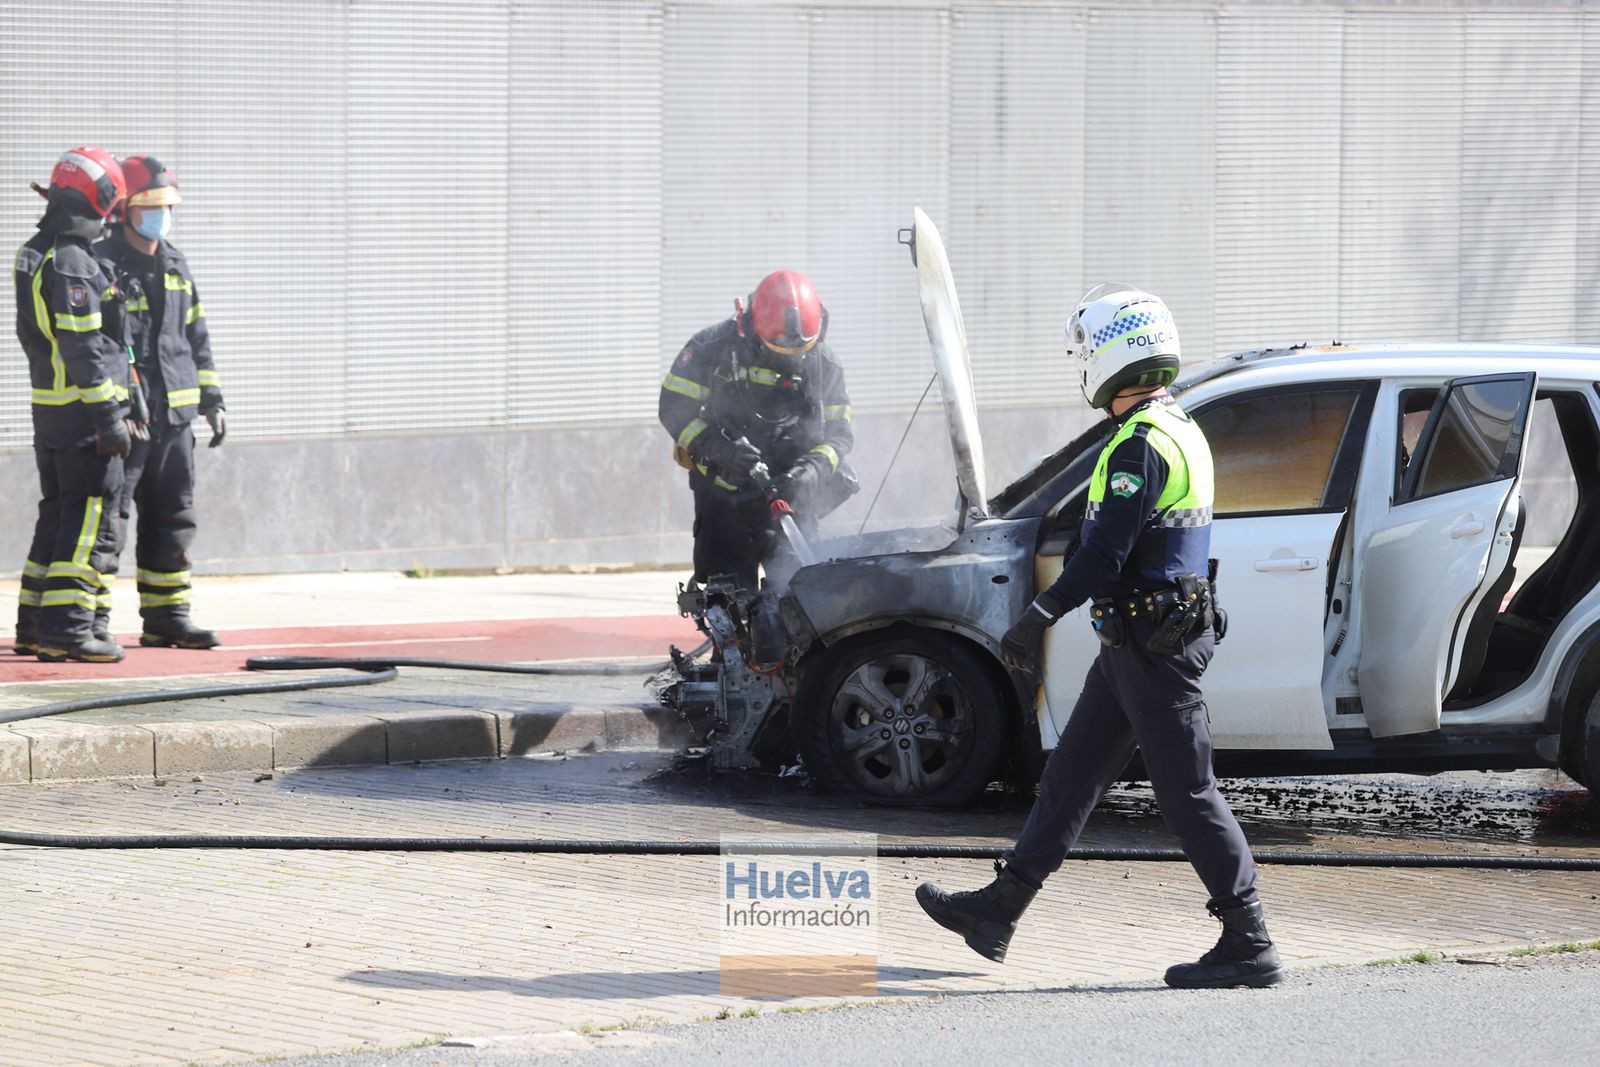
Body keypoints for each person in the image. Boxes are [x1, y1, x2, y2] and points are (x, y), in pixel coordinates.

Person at [914, 284, 1284, 990]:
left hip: (1153, 650)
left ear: (1115, 355)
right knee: (1071, 775)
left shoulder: (1138, 447)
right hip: (1138, 644)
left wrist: (1037, 615)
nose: (1081, 363)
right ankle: (999, 910)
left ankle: (1249, 939)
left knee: (1188, 793)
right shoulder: (1180, 427)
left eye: (1085, 351)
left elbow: (1102, 556)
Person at [12, 147, 136, 663]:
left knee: (58, 517)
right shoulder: (72, 263)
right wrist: (110, 415)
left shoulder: (37, 250)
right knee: (89, 523)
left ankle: (35, 626)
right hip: (84, 415)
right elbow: (84, 348)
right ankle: (68, 631)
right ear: (99, 199)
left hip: (52, 411)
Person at [96, 155, 224, 650]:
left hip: (175, 420)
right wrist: (112, 411)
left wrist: (212, 397)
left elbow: (197, 337)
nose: (160, 216)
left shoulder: (176, 263)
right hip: (130, 422)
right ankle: (95, 621)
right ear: (125, 210)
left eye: (167, 207)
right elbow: (98, 346)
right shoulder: (103, 266)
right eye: (150, 206)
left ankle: (167, 617)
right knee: (112, 520)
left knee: (173, 519)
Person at [658, 270, 856, 590]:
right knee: (729, 598)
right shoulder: (710, 349)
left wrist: (812, 470)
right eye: (778, 353)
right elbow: (673, 408)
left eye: (800, 353)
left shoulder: (824, 364)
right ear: (750, 326)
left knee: (802, 595)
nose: (792, 362)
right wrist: (721, 450)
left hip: (792, 498)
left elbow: (840, 433)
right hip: (725, 495)